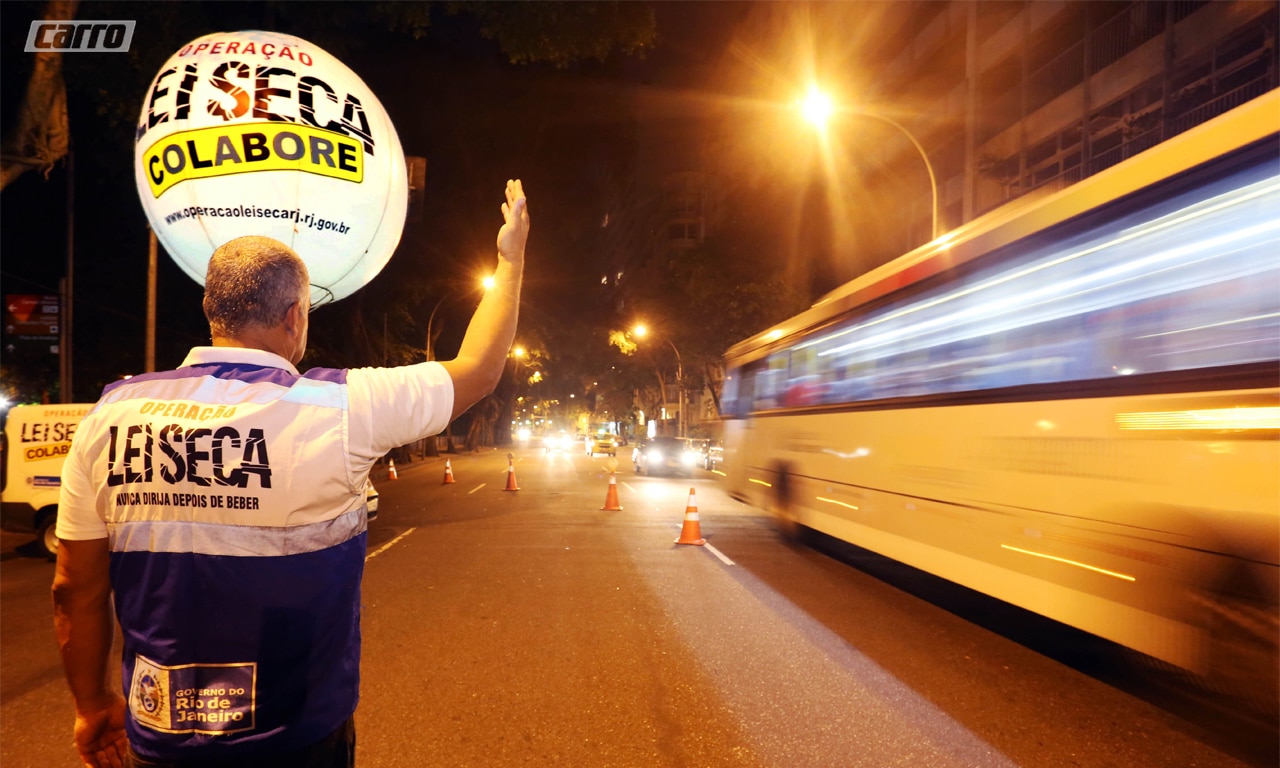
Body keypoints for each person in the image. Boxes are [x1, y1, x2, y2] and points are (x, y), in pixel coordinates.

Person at [52, 180, 529, 767]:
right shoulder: (340, 407)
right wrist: (511, 262)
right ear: (294, 315)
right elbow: (479, 370)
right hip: (299, 739)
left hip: (161, 741)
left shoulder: (110, 413)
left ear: (212, 310)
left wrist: (93, 702)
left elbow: (75, 587)